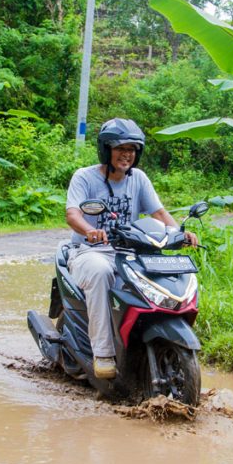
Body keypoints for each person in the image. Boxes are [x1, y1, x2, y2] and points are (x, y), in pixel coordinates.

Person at [65, 118, 198, 380]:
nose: (127, 154)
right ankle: (103, 353)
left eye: (132, 149)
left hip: (131, 252)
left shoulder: (138, 179)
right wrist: (90, 231)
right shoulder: (85, 177)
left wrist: (179, 234)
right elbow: (72, 214)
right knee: (101, 272)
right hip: (90, 252)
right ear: (106, 149)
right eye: (120, 148)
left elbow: (158, 212)